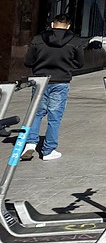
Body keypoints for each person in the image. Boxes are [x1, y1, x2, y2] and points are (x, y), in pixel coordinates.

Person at [23, 13, 84, 161]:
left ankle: (30, 143)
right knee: (54, 117)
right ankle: (48, 150)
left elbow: (28, 61)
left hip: (40, 80)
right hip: (61, 80)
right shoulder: (75, 40)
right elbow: (80, 63)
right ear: (68, 26)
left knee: (36, 113)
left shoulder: (38, 39)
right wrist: (67, 66)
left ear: (52, 24)